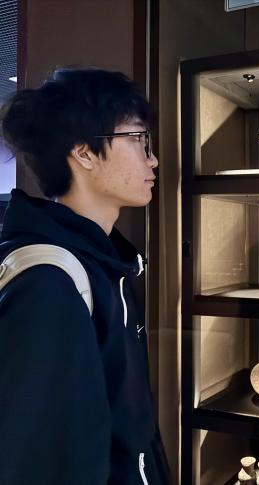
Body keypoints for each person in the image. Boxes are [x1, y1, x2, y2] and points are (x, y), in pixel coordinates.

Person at [0, 68, 169, 484]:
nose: (152, 159)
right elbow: (42, 461)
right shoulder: (48, 282)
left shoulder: (107, 263)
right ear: (85, 154)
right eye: (138, 139)